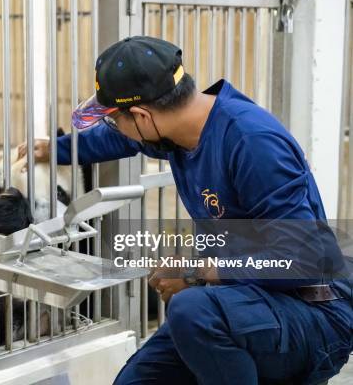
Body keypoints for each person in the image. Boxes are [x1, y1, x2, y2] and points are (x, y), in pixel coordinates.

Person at [19, 36, 352, 384]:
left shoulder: (251, 142)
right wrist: (55, 150)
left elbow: (306, 261)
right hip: (242, 301)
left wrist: (197, 272)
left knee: (192, 310)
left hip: (313, 312)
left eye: (115, 120)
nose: (119, 130)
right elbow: (120, 138)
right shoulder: (179, 129)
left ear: (142, 116)